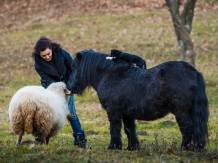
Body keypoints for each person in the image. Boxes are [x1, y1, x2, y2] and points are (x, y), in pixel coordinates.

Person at [32, 36, 87, 148]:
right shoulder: (38, 64)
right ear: (39, 55)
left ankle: (80, 138)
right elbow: (47, 79)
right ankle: (41, 137)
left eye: (48, 53)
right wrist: (58, 90)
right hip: (51, 89)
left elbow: (73, 68)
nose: (47, 57)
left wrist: (71, 86)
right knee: (48, 113)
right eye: (44, 56)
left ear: (51, 48)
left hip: (68, 86)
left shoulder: (62, 53)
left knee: (70, 113)